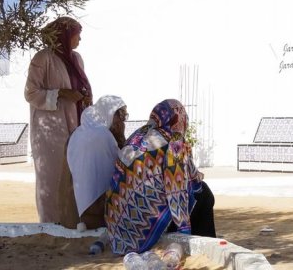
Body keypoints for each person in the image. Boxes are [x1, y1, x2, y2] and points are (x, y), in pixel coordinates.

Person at [105, 99, 216, 254]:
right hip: (142, 232)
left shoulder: (138, 134)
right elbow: (175, 189)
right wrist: (184, 231)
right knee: (203, 193)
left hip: (117, 228)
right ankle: (205, 242)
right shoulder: (174, 141)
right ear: (179, 118)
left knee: (195, 188)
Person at [24, 16, 93, 227]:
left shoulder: (77, 59)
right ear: (64, 36)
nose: (79, 39)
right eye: (76, 34)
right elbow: (31, 93)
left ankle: (72, 221)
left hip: (75, 124)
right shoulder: (42, 58)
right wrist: (61, 93)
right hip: (49, 130)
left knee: (75, 175)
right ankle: (50, 224)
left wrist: (85, 96)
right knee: (51, 177)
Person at [67, 95, 126, 230]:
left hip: (73, 215)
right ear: (110, 113)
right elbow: (125, 165)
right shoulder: (104, 135)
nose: (122, 122)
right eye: (121, 116)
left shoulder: (77, 133)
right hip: (97, 214)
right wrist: (121, 137)